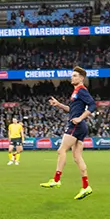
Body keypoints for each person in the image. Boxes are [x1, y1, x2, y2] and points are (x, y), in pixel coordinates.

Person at [40, 66, 95, 200]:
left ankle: (57, 179)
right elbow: (72, 110)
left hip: (76, 125)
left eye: (75, 75)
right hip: (80, 126)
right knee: (77, 156)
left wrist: (80, 118)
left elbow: (92, 105)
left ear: (81, 78)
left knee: (61, 150)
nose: (72, 77)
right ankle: (86, 186)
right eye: (72, 75)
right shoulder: (76, 91)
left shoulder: (81, 90)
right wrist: (59, 104)